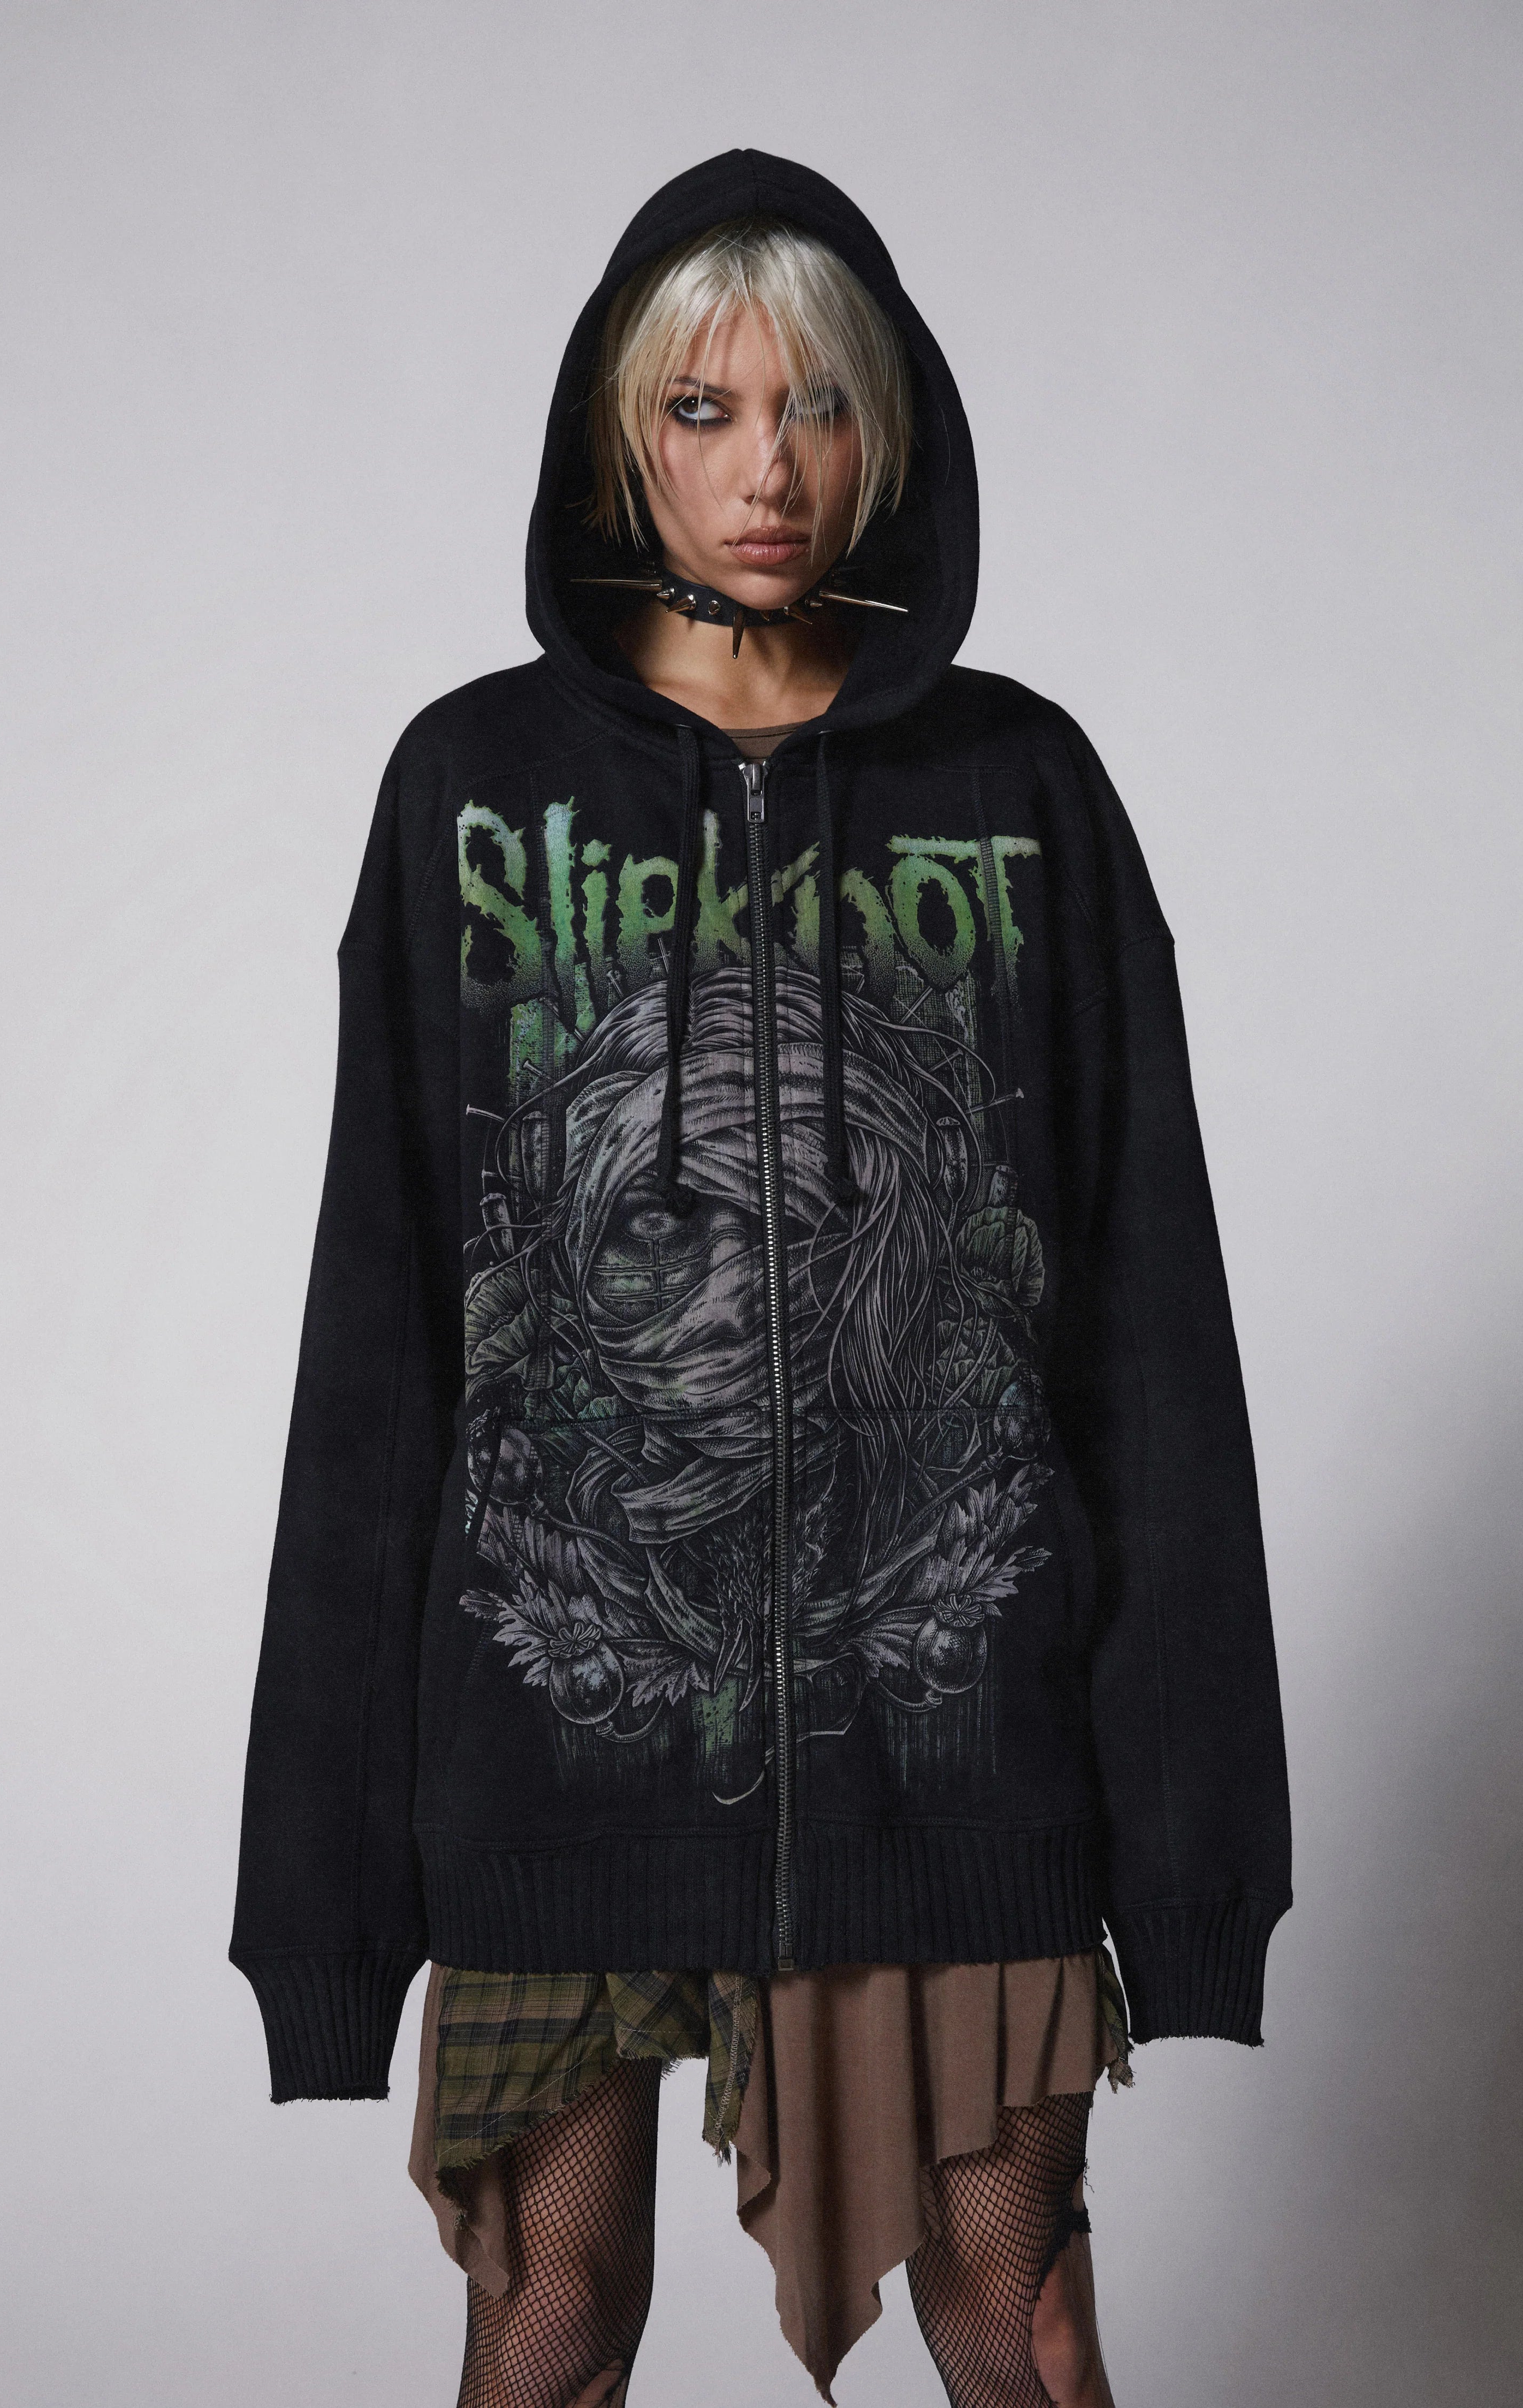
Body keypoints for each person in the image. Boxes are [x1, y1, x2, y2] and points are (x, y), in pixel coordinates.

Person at [230, 150, 1292, 2408]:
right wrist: (324, 1908)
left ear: (887, 424)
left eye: (816, 404)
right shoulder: (471, 790)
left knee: (1024, 2324)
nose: (768, 470)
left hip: (957, 1768)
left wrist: (1197, 1864)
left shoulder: (1024, 789)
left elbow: (1150, 1338)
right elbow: (382, 1346)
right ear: (623, 435)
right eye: (704, 411)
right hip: (554, 1773)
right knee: (548, 2322)